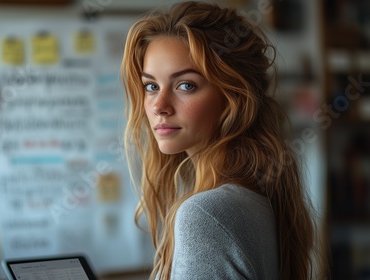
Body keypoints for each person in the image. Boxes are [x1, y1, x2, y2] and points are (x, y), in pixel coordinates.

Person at [120, 1, 327, 279]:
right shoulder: (256, 195)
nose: (159, 106)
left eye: (185, 85)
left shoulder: (205, 214)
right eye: (151, 86)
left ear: (234, 98)